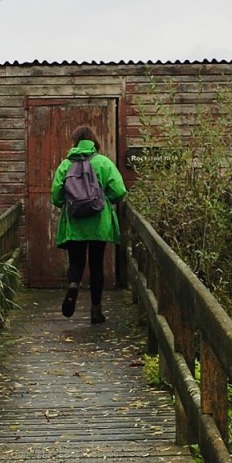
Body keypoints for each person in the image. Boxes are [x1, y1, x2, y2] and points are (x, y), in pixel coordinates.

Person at [50, 125, 128, 324]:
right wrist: (104, 200)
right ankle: (96, 310)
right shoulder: (103, 162)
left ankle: (74, 285)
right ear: (94, 141)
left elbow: (56, 196)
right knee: (96, 264)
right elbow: (119, 191)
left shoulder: (66, 165)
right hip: (99, 222)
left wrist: (68, 204)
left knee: (76, 261)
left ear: (75, 142)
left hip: (75, 222)